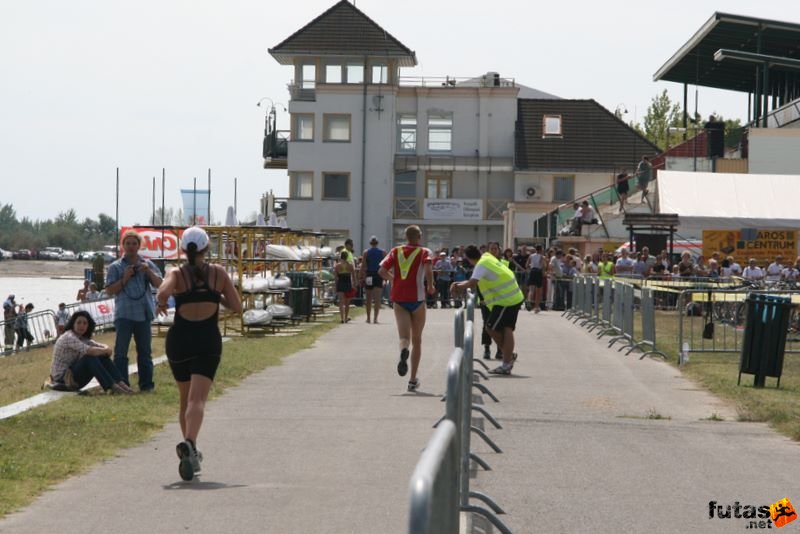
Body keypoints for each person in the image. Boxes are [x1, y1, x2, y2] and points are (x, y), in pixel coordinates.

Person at [156, 226, 242, 482]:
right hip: (207, 340)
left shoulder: (177, 273)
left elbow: (162, 292)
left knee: (185, 399)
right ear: (207, 248)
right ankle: (191, 444)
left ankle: (189, 450)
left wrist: (162, 303)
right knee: (198, 400)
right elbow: (236, 306)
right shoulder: (218, 273)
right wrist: (216, 297)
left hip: (180, 340)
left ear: (183, 249)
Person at [451, 244, 525, 375]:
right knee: (506, 327)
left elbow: (472, 283)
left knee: (491, 328)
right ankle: (508, 357)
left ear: (468, 258)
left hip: (506, 299)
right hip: (512, 296)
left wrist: (457, 285)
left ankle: (507, 359)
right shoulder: (487, 257)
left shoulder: (481, 265)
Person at [378, 225, 435, 392]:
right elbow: (429, 269)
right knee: (417, 340)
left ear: (406, 237)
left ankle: (403, 350)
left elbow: (381, 270)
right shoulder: (425, 251)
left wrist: (393, 279)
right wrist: (430, 286)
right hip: (417, 299)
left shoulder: (396, 251)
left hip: (399, 298)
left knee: (404, 337)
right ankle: (412, 379)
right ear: (420, 237)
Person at [105, 229, 163, 392]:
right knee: (121, 352)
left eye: (134, 243)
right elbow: (109, 290)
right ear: (122, 246)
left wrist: (148, 271)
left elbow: (160, 284)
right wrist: (125, 278)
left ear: (139, 246)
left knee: (145, 352)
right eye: (128, 243)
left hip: (144, 314)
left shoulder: (148, 264)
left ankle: (146, 385)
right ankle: (122, 384)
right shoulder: (115, 267)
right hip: (124, 315)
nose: (131, 247)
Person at [48, 310, 134, 394]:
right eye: (79, 323)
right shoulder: (68, 337)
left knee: (101, 356)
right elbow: (90, 351)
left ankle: (121, 384)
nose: (82, 326)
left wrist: (105, 350)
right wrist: (105, 350)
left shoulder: (82, 338)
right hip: (63, 380)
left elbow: (105, 349)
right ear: (73, 324)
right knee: (89, 357)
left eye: (85, 323)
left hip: (74, 377)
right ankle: (112, 386)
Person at [360, 236, 386, 324]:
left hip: (369, 275)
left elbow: (363, 266)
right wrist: (385, 277)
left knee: (368, 298)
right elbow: (385, 266)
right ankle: (375, 318)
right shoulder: (383, 252)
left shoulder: (366, 252)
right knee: (377, 299)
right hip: (379, 275)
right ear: (377, 243)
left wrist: (361, 276)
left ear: (370, 243)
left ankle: (368, 318)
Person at [335, 250, 356, 323]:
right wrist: (354, 285)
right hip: (347, 284)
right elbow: (353, 276)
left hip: (340, 283)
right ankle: (346, 317)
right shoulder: (350, 265)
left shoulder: (337, 266)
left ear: (340, 257)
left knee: (341, 302)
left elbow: (336, 278)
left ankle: (342, 318)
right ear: (347, 257)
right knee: (347, 303)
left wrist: (335, 287)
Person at [526, 245, 545, 313]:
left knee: (531, 289)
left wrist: (529, 270)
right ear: (541, 250)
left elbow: (527, 265)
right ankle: (536, 307)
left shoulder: (531, 256)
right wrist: (543, 272)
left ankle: (529, 300)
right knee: (538, 291)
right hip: (538, 272)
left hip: (532, 271)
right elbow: (542, 265)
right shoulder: (542, 257)